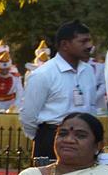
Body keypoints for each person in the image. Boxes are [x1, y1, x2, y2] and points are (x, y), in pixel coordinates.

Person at [21, 21, 98, 161]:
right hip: (52, 139)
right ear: (65, 45)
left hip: (84, 140)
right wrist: (46, 136)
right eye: (83, 41)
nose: (89, 46)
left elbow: (91, 107)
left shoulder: (88, 71)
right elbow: (28, 115)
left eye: (89, 40)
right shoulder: (43, 74)